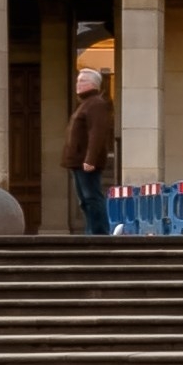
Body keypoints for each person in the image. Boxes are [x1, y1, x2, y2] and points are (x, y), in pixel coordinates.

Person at [63, 51, 118, 239]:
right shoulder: (86, 104)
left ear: (93, 84)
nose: (78, 84)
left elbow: (97, 133)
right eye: (78, 81)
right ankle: (91, 232)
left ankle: (99, 233)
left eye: (82, 81)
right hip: (78, 161)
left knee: (92, 197)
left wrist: (90, 159)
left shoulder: (96, 104)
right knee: (84, 200)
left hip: (85, 161)